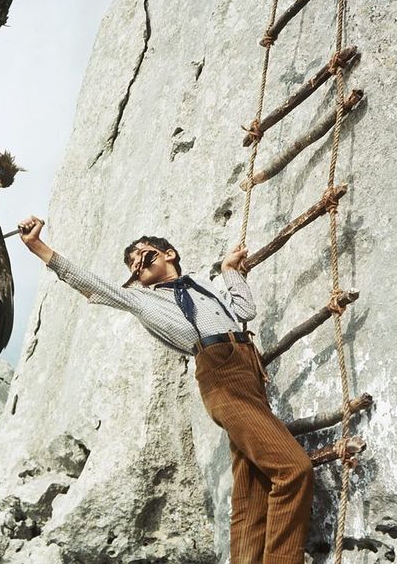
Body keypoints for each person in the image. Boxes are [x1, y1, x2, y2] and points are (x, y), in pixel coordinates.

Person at [19, 215, 314, 564]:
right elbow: (94, 285)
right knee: (294, 469)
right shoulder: (144, 300)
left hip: (249, 367)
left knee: (252, 491)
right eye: (134, 267)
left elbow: (245, 309)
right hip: (218, 374)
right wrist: (39, 247)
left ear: (169, 254)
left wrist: (229, 270)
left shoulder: (205, 285)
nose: (138, 267)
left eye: (145, 257)